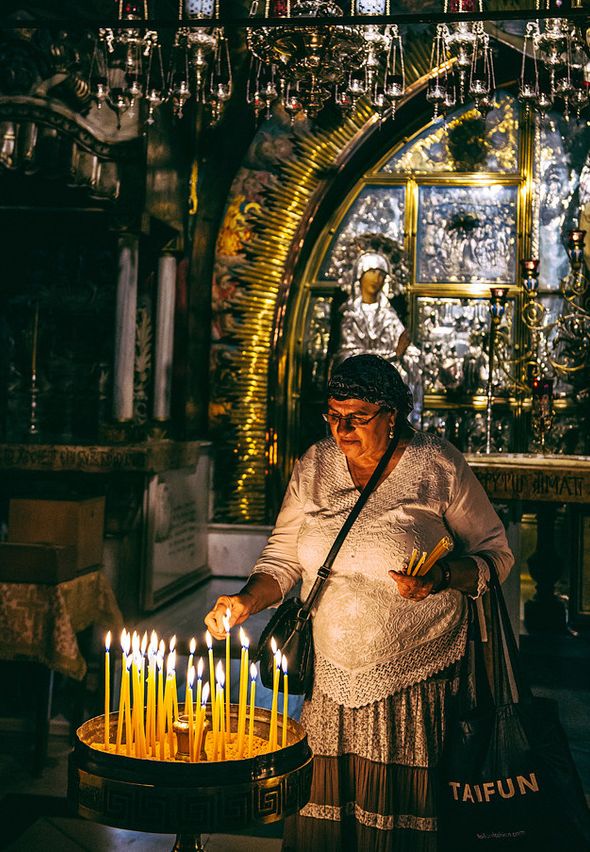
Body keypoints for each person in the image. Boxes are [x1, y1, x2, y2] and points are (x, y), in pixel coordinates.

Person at [205, 353, 514, 851]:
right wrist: (243, 601)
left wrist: (439, 577)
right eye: (332, 414)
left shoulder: (437, 464)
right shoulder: (314, 466)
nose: (341, 428)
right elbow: (283, 561)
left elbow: (496, 556)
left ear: (392, 413)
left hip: (413, 683)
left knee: (399, 822)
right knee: (326, 820)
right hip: (329, 684)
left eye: (357, 417)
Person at [333, 250, 423, 426]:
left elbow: (407, 349)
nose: (377, 278)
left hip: (386, 395)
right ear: (360, 275)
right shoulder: (348, 315)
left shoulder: (389, 316)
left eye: (382, 274)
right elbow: (345, 358)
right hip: (356, 397)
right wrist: (392, 356)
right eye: (372, 272)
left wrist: (408, 355)